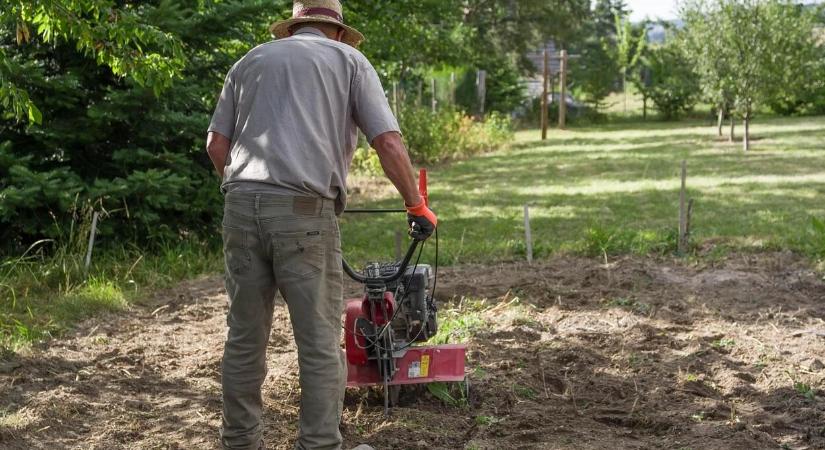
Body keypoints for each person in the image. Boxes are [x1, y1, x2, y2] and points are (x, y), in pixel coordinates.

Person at [205, 1, 437, 449]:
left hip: (240, 205)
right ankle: (319, 444)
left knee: (244, 339)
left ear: (295, 25)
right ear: (339, 30)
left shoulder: (251, 60)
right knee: (318, 342)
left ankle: (239, 442)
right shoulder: (349, 61)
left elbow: (216, 144)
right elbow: (387, 142)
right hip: (304, 211)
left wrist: (246, 195)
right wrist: (415, 205)